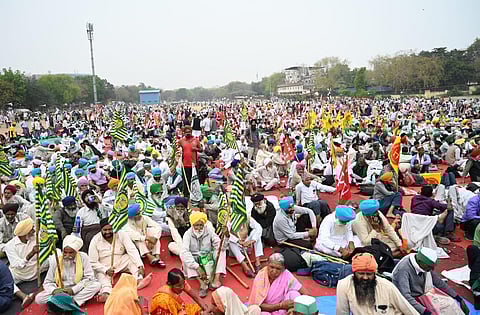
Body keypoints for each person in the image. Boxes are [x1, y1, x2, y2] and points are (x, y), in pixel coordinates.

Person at [392, 247, 469, 315]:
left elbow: (439, 282)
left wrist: (458, 298)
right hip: (411, 300)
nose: (432, 270)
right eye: (430, 267)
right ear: (420, 262)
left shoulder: (424, 265)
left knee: (451, 303)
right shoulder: (404, 269)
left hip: (423, 295)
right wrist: (425, 312)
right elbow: (406, 297)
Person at [336, 253, 418, 315]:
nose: (365, 277)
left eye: (369, 274)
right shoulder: (343, 285)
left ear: (375, 274)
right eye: (361, 273)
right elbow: (342, 313)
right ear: (354, 273)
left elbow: (408, 310)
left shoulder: (387, 286)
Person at [89, 218, 145, 302]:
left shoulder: (121, 234)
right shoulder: (95, 240)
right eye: (105, 230)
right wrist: (105, 270)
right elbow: (93, 262)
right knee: (102, 277)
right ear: (101, 230)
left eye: (110, 229)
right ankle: (106, 293)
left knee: (129, 258)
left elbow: (131, 249)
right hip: (105, 266)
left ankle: (138, 278)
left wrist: (140, 265)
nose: (107, 232)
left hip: (120, 261)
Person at [35, 235, 101, 306]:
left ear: (76, 251)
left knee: (96, 285)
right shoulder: (56, 260)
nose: (67, 255)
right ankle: (68, 302)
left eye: (70, 253)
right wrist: (54, 290)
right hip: (60, 290)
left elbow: (89, 278)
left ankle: (73, 301)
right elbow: (48, 282)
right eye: (65, 252)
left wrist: (73, 290)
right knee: (39, 298)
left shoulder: (83, 257)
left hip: (78, 289)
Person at [181, 211, 227, 297]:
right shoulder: (187, 234)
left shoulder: (209, 231)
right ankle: (202, 284)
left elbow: (221, 246)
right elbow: (185, 252)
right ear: (192, 225)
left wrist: (226, 236)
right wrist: (197, 267)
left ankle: (216, 280)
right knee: (184, 255)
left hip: (208, 258)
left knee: (221, 251)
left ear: (204, 224)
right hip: (196, 259)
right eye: (196, 225)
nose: (199, 228)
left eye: (201, 225)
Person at [4, 217, 48, 307]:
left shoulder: (35, 237)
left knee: (57, 254)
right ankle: (23, 296)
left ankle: (48, 285)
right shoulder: (9, 246)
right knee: (4, 281)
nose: (34, 231)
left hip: (37, 268)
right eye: (31, 229)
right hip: (20, 273)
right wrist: (31, 253)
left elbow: (46, 239)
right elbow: (18, 265)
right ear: (25, 233)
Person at [178, 125, 202, 198]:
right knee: (186, 181)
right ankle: (186, 195)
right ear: (184, 133)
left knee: (194, 181)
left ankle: (194, 195)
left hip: (194, 164)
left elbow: (201, 149)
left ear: (191, 132)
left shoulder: (196, 140)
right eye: (186, 132)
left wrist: (195, 149)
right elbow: (177, 149)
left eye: (189, 132)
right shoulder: (181, 141)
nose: (188, 133)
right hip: (185, 164)